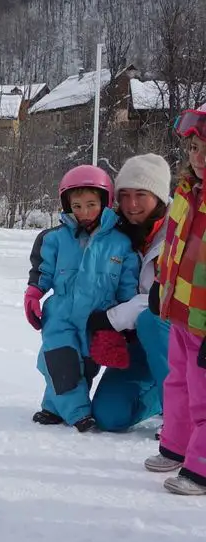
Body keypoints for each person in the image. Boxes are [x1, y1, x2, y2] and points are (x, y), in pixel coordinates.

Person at [24, 164, 140, 432]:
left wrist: (124, 325)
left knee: (86, 367)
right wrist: (33, 293)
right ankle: (78, 413)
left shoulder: (121, 244)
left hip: (97, 318)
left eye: (91, 204)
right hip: (61, 313)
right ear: (67, 205)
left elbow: (127, 286)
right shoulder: (56, 239)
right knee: (60, 359)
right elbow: (43, 270)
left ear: (105, 202)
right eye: (77, 206)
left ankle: (52, 407)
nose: (84, 212)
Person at [144, 108, 206, 496]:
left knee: (203, 391)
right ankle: (177, 444)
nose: (199, 157)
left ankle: (201, 466)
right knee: (178, 380)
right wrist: (161, 285)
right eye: (195, 147)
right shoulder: (187, 192)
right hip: (182, 311)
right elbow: (175, 247)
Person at [88, 154, 172, 432]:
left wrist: (110, 319)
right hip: (136, 345)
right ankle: (163, 399)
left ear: (159, 197)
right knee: (109, 416)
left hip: (175, 338)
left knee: (152, 319)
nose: (131, 205)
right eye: (124, 195)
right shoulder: (114, 232)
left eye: (141, 195)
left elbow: (160, 297)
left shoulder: (179, 232)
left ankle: (178, 415)